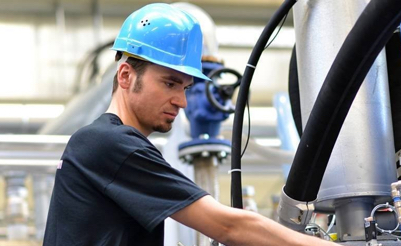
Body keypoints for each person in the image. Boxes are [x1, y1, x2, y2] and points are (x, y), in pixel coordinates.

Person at [43, 3, 337, 246]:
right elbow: (227, 226)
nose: (181, 101)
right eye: (169, 83)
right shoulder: (108, 144)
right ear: (125, 76)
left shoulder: (111, 146)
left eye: (184, 87)